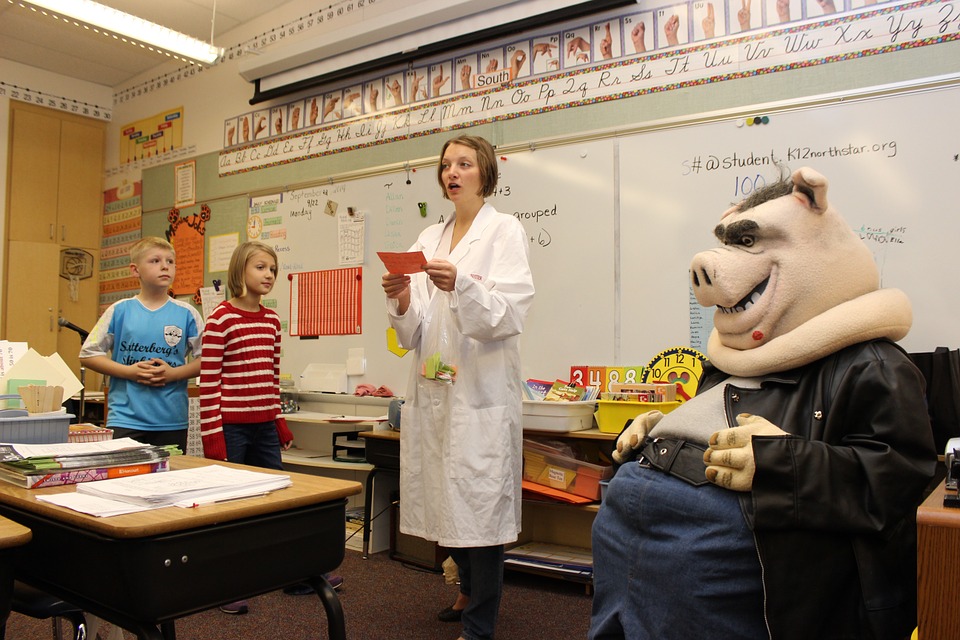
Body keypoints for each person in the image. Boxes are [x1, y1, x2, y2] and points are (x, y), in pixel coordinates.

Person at [589, 168, 935, 639]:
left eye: (750, 243)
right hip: (623, 535)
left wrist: (785, 462)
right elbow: (720, 414)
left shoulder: (871, 364)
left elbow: (898, 486)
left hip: (710, 552)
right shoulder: (732, 357)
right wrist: (662, 427)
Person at [382, 134, 535, 640]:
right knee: (450, 496)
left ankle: (479, 623)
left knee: (480, 504)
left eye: (464, 164)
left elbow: (510, 313)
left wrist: (462, 285)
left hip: (480, 394)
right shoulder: (427, 238)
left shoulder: (504, 231)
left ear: (484, 172)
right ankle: (466, 588)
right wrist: (403, 298)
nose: (452, 172)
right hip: (434, 390)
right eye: (446, 164)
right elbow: (413, 331)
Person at [199, 241, 342, 614]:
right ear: (240, 271)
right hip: (230, 429)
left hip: (264, 426)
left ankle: (295, 575)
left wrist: (279, 422)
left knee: (278, 502)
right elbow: (208, 383)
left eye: (273, 270)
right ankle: (221, 585)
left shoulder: (271, 321)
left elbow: (271, 377)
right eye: (261, 267)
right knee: (228, 508)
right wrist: (212, 436)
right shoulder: (221, 319)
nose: (269, 275)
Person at [80, 236, 202, 453]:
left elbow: (209, 359)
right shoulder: (119, 311)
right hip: (125, 418)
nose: (165, 266)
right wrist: (129, 372)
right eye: (155, 261)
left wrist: (174, 374)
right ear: (135, 270)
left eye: (170, 261)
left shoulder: (187, 313)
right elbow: (88, 354)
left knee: (168, 479)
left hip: (171, 418)